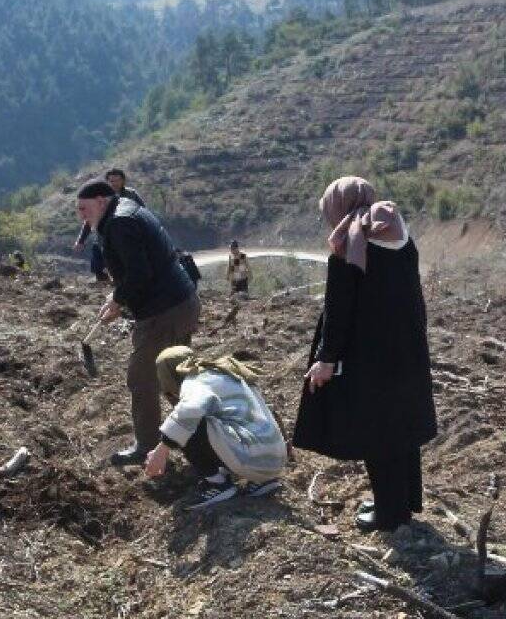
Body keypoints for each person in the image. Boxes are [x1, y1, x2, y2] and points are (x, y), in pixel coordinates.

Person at [293, 177, 437, 533]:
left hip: (369, 355)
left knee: (379, 431)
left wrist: (326, 360)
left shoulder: (347, 244)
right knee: (400, 424)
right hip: (406, 348)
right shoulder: (397, 231)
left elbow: (339, 311)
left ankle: (390, 516)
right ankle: (404, 502)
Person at [75, 178, 200, 466]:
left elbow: (140, 273)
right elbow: (137, 270)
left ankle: (147, 446)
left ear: (101, 202)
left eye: (84, 209)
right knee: (177, 375)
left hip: (164, 311)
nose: (81, 216)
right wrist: (118, 295)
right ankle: (200, 434)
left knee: (142, 378)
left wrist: (119, 301)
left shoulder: (119, 223)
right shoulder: (126, 210)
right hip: (181, 302)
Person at [144, 346, 286, 510]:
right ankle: (262, 481)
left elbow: (189, 411)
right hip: (275, 461)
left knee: (191, 421)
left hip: (252, 458)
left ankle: (218, 485)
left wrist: (161, 450)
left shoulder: (196, 381)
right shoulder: (225, 373)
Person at [74, 168, 144, 282]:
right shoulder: (99, 199)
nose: (114, 183)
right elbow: (88, 220)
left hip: (126, 237)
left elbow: (142, 211)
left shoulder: (131, 195)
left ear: (123, 181)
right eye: (111, 181)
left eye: (117, 180)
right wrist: (81, 240)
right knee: (99, 267)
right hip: (103, 237)